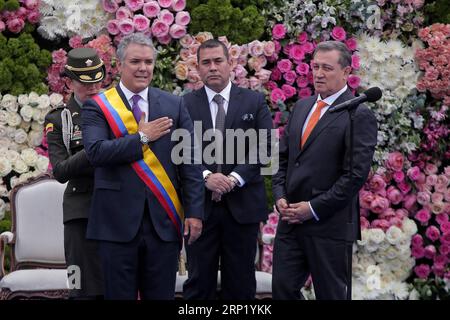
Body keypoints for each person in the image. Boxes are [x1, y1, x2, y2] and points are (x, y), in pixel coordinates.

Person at [81, 33, 204, 300]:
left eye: (148, 62)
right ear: (120, 65)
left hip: (163, 223)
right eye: (135, 61)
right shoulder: (98, 106)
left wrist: (195, 212)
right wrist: (142, 138)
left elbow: (190, 162)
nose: (143, 68)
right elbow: (96, 153)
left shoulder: (174, 104)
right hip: (115, 224)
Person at [271, 41, 378, 300]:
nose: (318, 73)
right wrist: (279, 195)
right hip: (290, 222)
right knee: (282, 291)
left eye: (327, 68)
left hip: (329, 225)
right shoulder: (302, 107)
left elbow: (354, 177)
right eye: (315, 66)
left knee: (331, 295)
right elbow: (282, 158)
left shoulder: (358, 115)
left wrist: (313, 208)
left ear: (346, 72)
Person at [182, 39, 273, 299]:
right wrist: (206, 176)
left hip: (242, 208)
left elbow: (266, 146)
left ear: (231, 63)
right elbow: (179, 150)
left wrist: (234, 178)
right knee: (199, 283)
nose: (212, 67)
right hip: (201, 209)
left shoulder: (254, 101)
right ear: (197, 68)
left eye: (218, 61)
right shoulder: (185, 104)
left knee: (241, 284)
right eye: (206, 63)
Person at [44, 47, 105, 299]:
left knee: (119, 285)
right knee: (80, 287)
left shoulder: (116, 111)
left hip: (118, 206)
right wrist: (96, 149)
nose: (93, 87)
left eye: (97, 80)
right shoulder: (59, 119)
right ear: (68, 82)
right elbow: (60, 170)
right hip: (81, 212)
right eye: (84, 82)